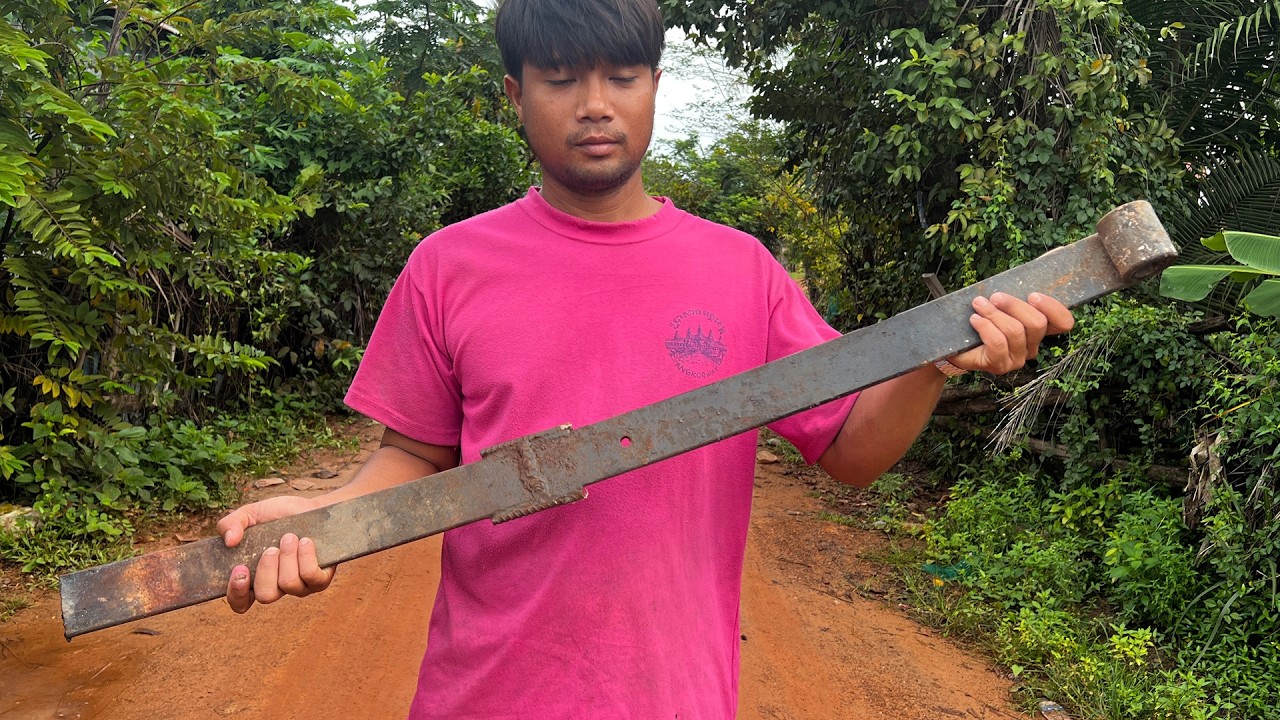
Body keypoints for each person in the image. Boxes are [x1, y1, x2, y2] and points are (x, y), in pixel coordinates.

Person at [216, 0, 1075, 716]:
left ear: (656, 86)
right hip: (485, 694)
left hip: (675, 697)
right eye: (561, 79)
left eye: (622, 77)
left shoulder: (740, 270)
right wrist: (325, 518)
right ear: (515, 94)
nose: (595, 105)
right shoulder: (449, 266)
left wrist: (931, 363)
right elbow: (415, 456)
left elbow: (850, 452)